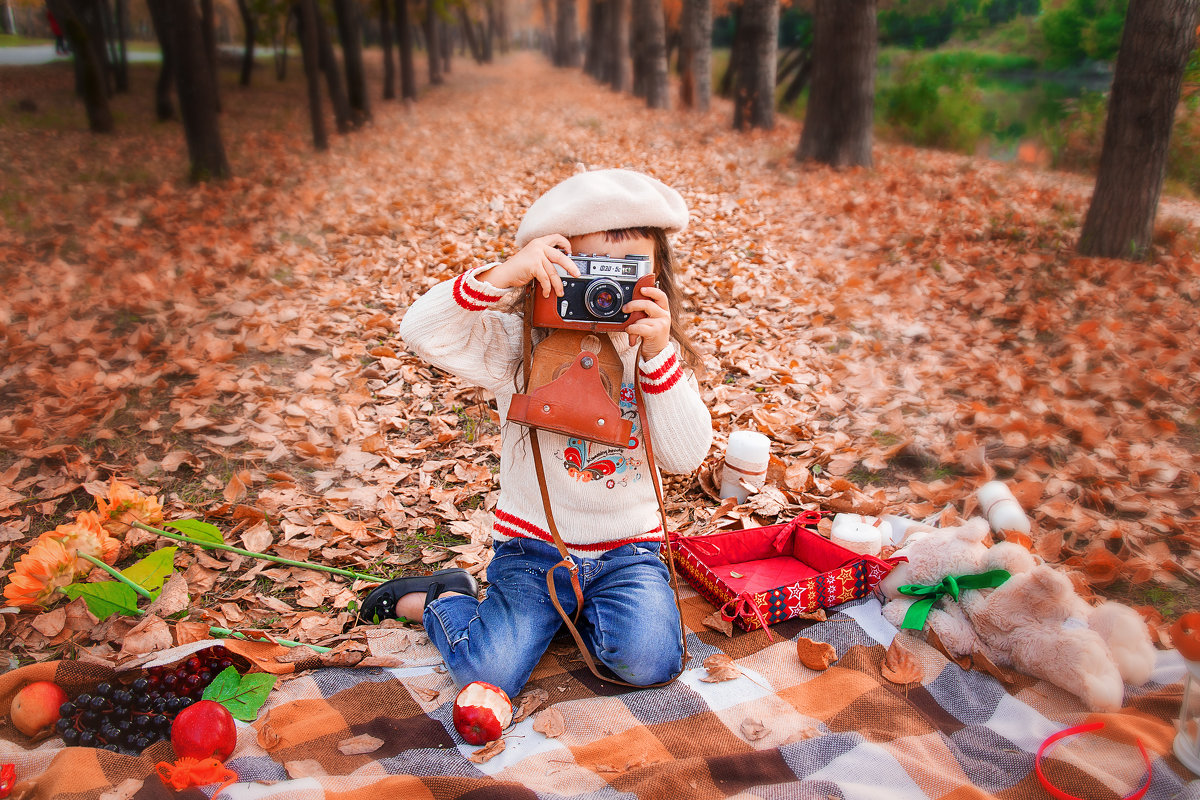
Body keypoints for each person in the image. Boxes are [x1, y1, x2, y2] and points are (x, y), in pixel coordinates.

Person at [360, 168, 713, 699]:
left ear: (659, 274)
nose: (606, 288)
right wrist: (505, 275)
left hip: (629, 550)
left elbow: (685, 457)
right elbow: (420, 331)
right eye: (591, 268)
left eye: (628, 269)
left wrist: (659, 355)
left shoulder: (654, 350)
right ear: (551, 265)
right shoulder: (516, 344)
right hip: (534, 547)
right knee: (491, 674)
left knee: (650, 661)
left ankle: (573, 618)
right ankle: (442, 600)